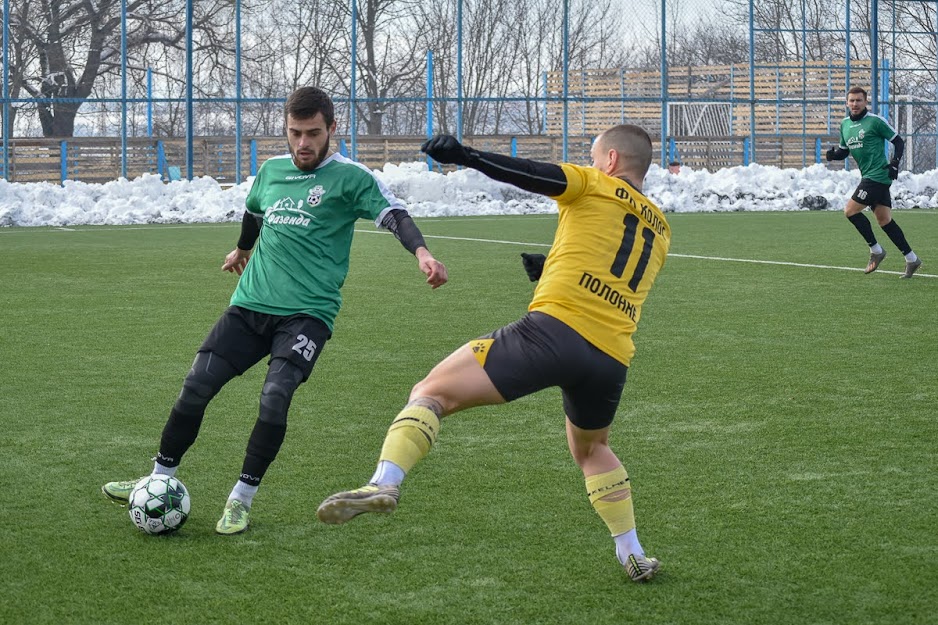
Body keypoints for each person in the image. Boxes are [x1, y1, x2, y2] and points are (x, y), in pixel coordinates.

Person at [317, 125, 671, 583]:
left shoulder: (594, 183)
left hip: (551, 335)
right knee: (593, 450)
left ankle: (384, 481)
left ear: (610, 161)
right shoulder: (661, 228)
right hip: (610, 359)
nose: (587, 163)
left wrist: (467, 156)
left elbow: (531, 172)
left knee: (431, 392)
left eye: (592, 156)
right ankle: (632, 553)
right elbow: (612, 273)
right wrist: (550, 268)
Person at [102, 86, 448, 535]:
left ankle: (240, 500)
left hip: (307, 315)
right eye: (295, 133)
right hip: (250, 306)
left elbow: (395, 215)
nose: (303, 143)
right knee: (196, 386)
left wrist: (421, 253)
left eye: (313, 133)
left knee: (273, 399)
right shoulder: (272, 171)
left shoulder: (352, 178)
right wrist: (242, 249)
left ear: (332, 130)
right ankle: (157, 478)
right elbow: (254, 212)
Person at [826, 86, 922, 278]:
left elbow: (898, 141)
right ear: (847, 103)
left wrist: (894, 163)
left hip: (878, 176)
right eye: (851, 101)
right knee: (884, 220)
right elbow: (845, 151)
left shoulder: (875, 122)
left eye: (858, 100)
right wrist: (834, 155)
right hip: (868, 176)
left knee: (850, 211)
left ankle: (876, 250)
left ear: (865, 102)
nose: (855, 104)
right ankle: (912, 259)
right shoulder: (845, 125)